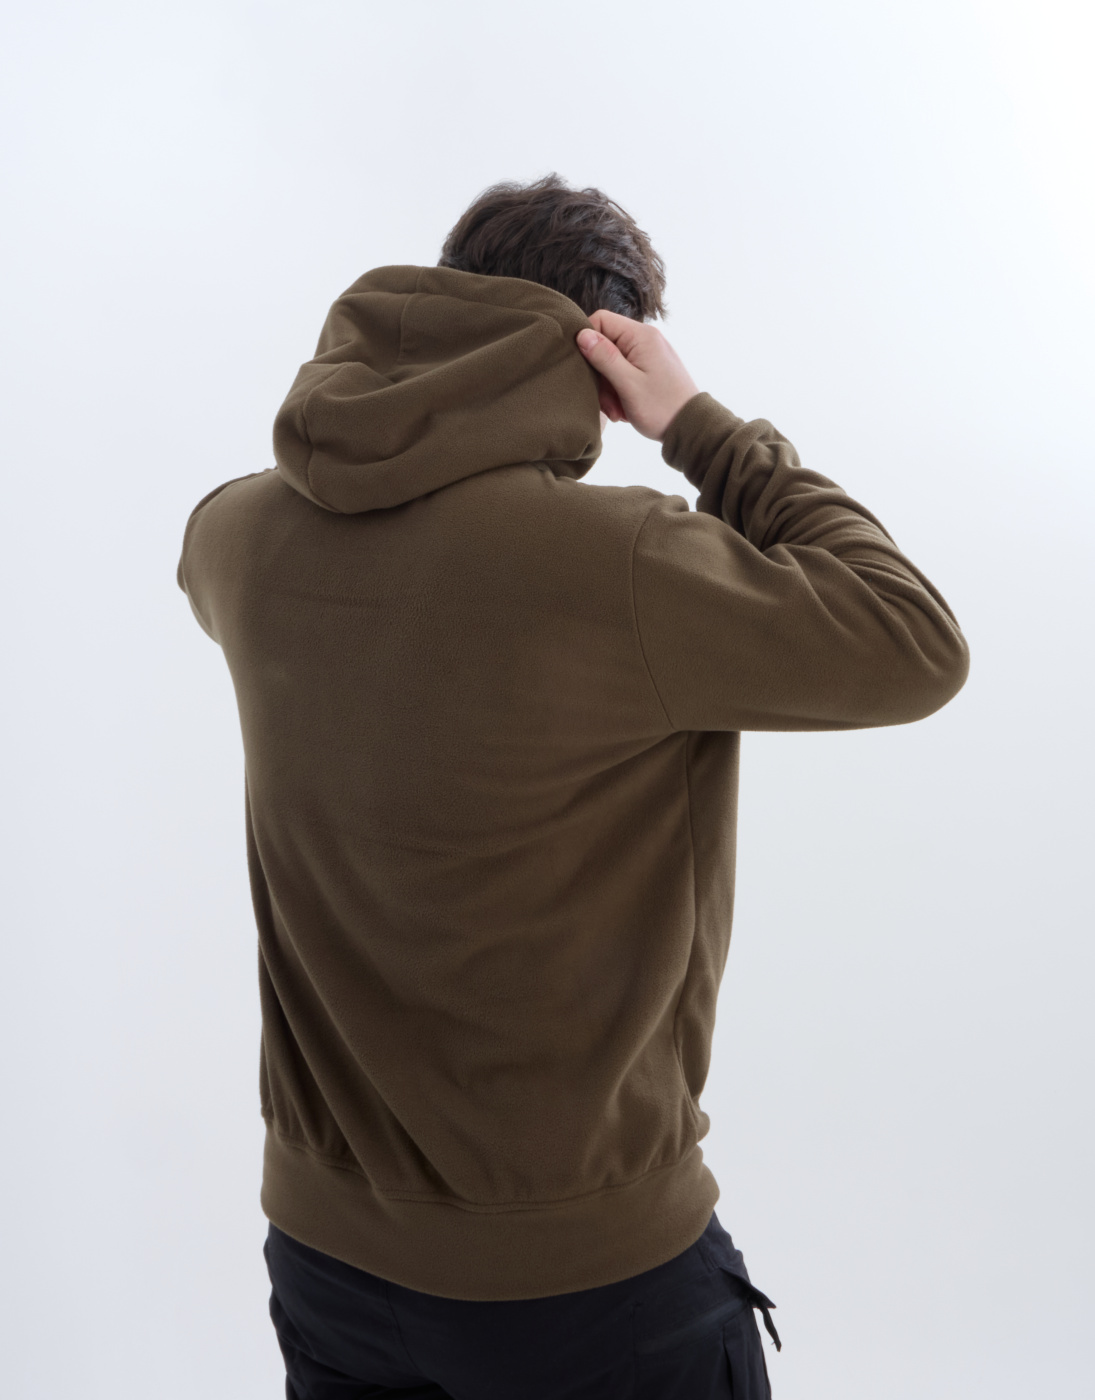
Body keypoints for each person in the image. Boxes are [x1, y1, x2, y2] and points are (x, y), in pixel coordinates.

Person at [177, 173, 970, 1399]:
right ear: (605, 361)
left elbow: (248, 551)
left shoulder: (236, 540)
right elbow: (915, 640)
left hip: (328, 1266)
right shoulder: (627, 565)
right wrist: (699, 424)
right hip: (590, 1291)